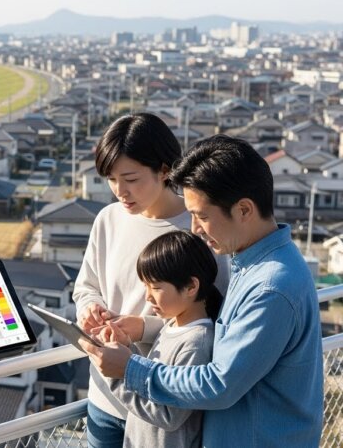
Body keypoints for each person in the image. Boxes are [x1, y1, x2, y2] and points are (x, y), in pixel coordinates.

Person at [82, 134, 324, 446]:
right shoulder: (254, 263)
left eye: (202, 216)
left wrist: (130, 369)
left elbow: (219, 383)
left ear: (244, 210)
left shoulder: (271, 287)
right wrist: (143, 328)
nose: (195, 228)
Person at [71, 113, 229, 448]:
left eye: (131, 179)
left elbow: (213, 316)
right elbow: (86, 286)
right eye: (111, 179)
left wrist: (142, 327)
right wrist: (90, 308)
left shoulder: (199, 228)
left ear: (165, 170)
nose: (120, 191)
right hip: (104, 396)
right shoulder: (108, 219)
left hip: (158, 407)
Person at [97, 230, 222, 448]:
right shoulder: (172, 325)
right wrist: (125, 348)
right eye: (145, 286)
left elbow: (168, 415)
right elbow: (149, 382)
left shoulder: (196, 344)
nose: (148, 296)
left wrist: (116, 373)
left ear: (191, 287)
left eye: (155, 287)